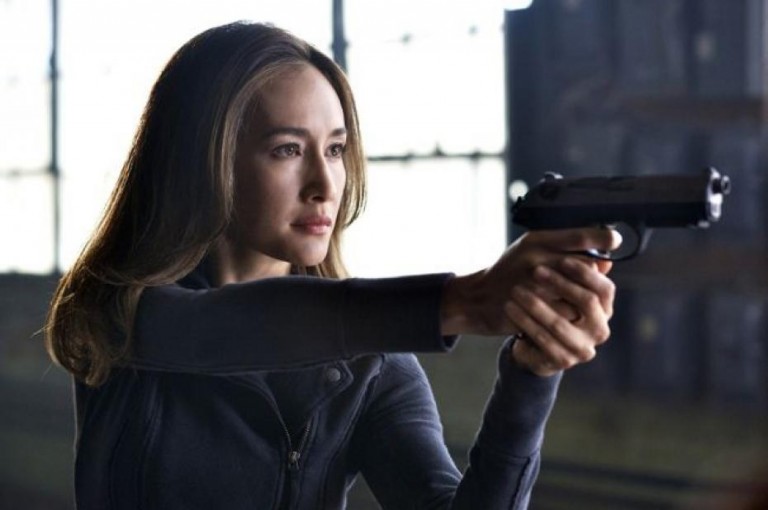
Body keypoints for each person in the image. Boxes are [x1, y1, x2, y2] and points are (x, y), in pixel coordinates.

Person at [44, 21, 620, 509]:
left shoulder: (371, 366)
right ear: (205, 160)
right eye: (288, 149)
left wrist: (532, 371)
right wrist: (463, 300)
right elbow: (223, 330)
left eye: (337, 149)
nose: (326, 184)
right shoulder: (117, 309)